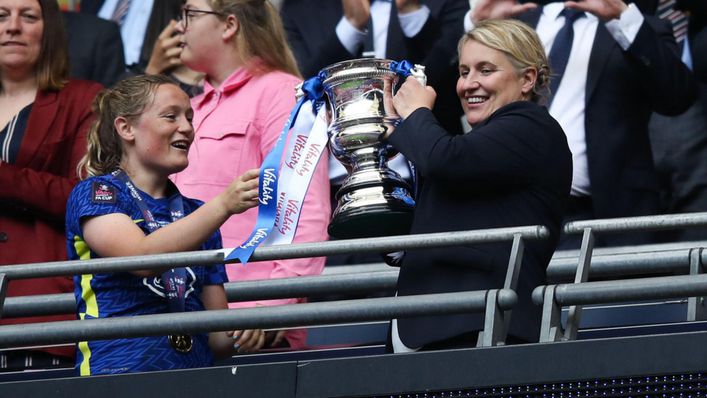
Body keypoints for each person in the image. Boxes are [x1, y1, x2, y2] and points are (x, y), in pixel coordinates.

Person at [383, 19, 572, 351]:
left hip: (487, 332)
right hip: (433, 330)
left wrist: (415, 112)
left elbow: (444, 160)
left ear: (527, 79)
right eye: (464, 72)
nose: (468, 84)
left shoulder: (532, 127)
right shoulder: (476, 150)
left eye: (485, 70)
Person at [65, 74, 261, 375]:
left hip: (194, 378)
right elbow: (140, 257)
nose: (186, 127)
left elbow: (219, 338)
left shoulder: (198, 214)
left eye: (189, 118)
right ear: (126, 128)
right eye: (170, 117)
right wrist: (222, 205)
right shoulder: (97, 193)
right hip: (117, 377)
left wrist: (244, 333)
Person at [469, 0, 697, 248]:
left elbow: (677, 95)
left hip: (601, 218)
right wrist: (477, 28)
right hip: (512, 214)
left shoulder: (635, 25)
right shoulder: (516, 24)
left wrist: (621, 18)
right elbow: (451, 103)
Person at [171, 0, 331, 351]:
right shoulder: (191, 107)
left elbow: (305, 213)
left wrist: (269, 310)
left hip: (252, 332)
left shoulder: (283, 93)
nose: (177, 25)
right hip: (188, 328)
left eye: (189, 14)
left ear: (229, 25)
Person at [0, 0, 103, 371]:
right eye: (1, 16)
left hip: (35, 305)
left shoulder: (83, 99)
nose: (13, 26)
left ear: (51, 31)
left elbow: (87, 199)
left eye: (28, 16)